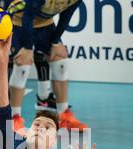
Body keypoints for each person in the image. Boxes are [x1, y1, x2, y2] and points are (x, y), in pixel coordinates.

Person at [6, 0, 88, 134]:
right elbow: (28, 16)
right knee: (22, 66)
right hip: (20, 21)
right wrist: (27, 48)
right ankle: (14, 119)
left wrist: (55, 42)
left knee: (60, 62)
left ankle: (64, 116)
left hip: (45, 24)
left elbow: (66, 16)